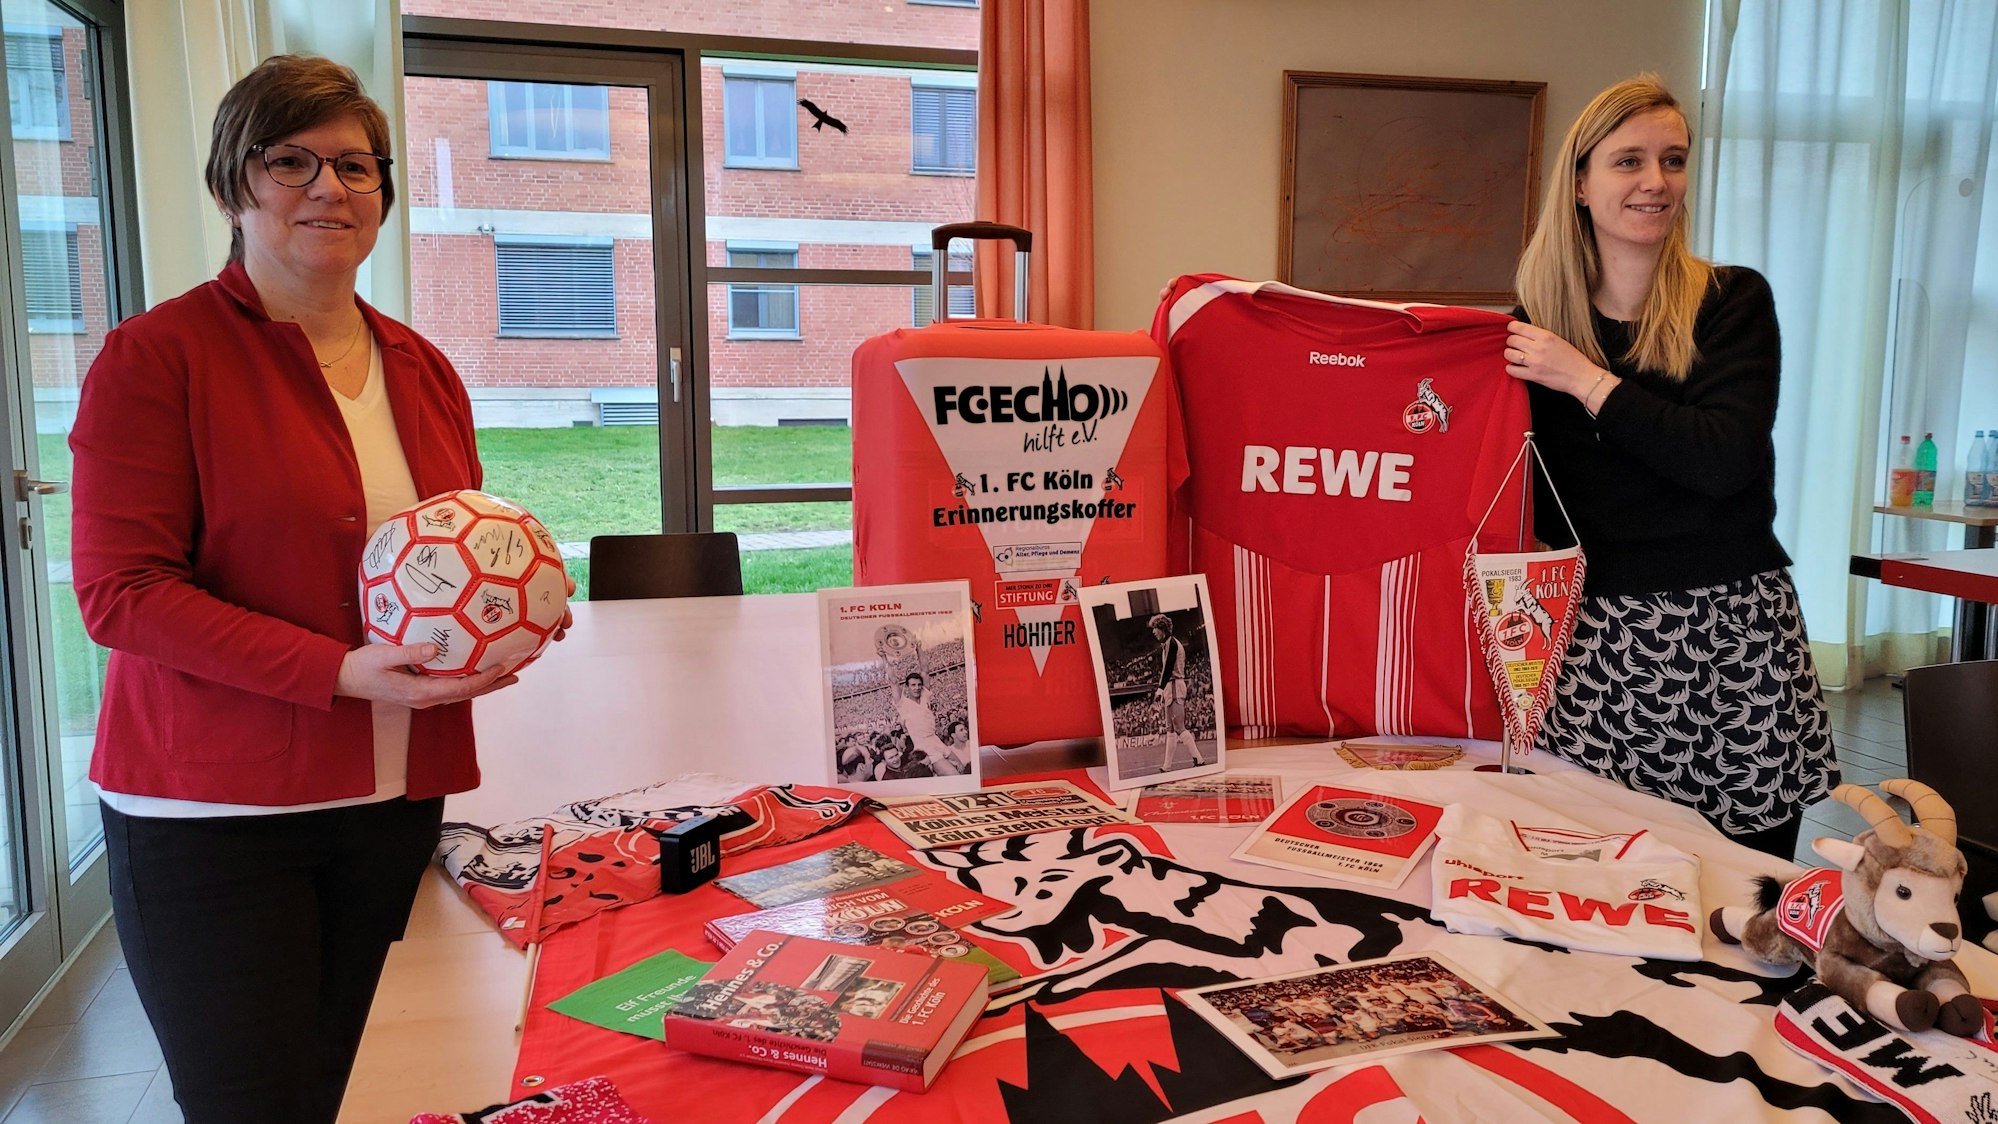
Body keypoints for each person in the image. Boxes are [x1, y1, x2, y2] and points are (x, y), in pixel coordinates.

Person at [67, 55, 565, 1122]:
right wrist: (336, 670)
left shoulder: (422, 364)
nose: (328, 188)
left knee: (367, 1088)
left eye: (354, 165)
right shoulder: (156, 358)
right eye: (289, 160)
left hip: (391, 804)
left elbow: (449, 550)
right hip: (213, 820)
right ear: (231, 186)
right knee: (260, 1103)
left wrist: (510, 612)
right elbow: (121, 592)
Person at [1505, 75, 1836, 860]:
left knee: (1745, 888)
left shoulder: (1729, 302)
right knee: (1597, 878)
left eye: (1673, 159)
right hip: (1593, 645)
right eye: (1629, 162)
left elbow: (1722, 459)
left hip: (1731, 639)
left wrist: (1585, 380)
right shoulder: (1536, 329)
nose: (1657, 181)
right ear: (1581, 184)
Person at [1149, 614, 1202, 771]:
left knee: (1179, 727)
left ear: (1162, 629)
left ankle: (1199, 759)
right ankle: (1167, 766)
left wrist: (1159, 690)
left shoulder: (1172, 644)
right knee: (1170, 729)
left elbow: (1167, 670)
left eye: (1155, 629)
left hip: (1174, 686)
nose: (1153, 632)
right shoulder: (1167, 644)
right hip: (1170, 686)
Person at [894, 671, 962, 774]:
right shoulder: (902, 704)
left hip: (936, 741)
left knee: (962, 767)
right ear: (907, 687)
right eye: (913, 685)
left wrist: (919, 653)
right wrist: (885, 658)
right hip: (924, 748)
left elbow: (925, 671)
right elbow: (893, 682)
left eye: (919, 684)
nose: (917, 687)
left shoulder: (925, 697)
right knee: (954, 775)